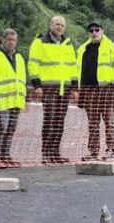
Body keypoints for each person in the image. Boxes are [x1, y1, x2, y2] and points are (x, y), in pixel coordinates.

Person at [28, 16, 79, 164]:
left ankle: (55, 153)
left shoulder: (67, 44)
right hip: (48, 88)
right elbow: (33, 64)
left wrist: (75, 88)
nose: (60, 27)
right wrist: (37, 85)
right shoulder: (40, 42)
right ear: (50, 25)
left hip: (65, 88)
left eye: (62, 25)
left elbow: (73, 67)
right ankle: (46, 153)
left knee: (59, 121)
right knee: (49, 119)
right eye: (57, 24)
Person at [77, 21, 114, 161]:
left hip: (106, 90)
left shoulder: (113, 47)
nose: (94, 33)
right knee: (93, 123)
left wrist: (113, 85)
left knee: (109, 121)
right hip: (89, 91)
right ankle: (93, 151)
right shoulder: (82, 49)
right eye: (91, 30)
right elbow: (78, 70)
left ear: (102, 31)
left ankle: (111, 149)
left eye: (97, 30)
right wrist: (79, 90)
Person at [0, 29, 26, 168]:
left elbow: (22, 79)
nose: (11, 42)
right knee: (2, 127)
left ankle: (5, 156)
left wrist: (26, 99)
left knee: (11, 129)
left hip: (16, 100)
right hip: (1, 99)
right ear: (2, 39)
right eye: (9, 39)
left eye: (14, 40)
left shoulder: (19, 57)